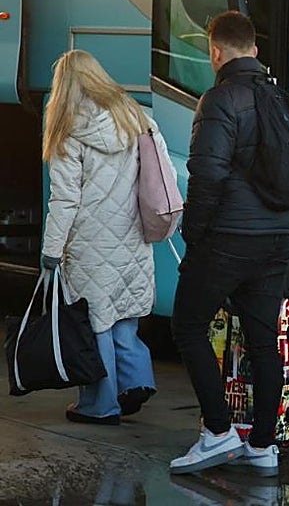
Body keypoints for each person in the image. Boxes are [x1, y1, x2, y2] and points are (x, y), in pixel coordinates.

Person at [169, 11, 289, 476]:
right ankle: (263, 445)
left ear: (215, 52)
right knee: (263, 340)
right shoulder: (280, 96)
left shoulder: (219, 100)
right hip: (280, 233)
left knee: (187, 324)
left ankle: (218, 431)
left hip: (230, 237)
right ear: (256, 50)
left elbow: (207, 174)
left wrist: (194, 232)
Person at [39, 50, 161, 425]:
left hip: (91, 242)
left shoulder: (67, 130)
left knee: (96, 322)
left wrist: (51, 250)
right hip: (132, 234)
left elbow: (65, 199)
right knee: (124, 314)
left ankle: (100, 404)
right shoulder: (135, 117)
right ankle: (136, 381)